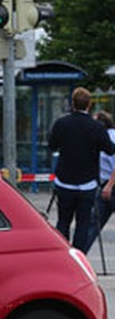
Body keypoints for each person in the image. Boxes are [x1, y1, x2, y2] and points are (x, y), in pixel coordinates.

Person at [47, 88, 115, 249]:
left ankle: (63, 256)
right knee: (83, 224)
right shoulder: (96, 127)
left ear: (73, 103)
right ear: (89, 105)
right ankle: (78, 255)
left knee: (63, 221)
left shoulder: (61, 123)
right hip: (87, 184)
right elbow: (110, 149)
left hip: (64, 181)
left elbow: (52, 145)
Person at [81, 110, 115, 253]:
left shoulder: (110, 138)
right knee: (93, 222)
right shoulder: (101, 137)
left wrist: (109, 185)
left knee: (93, 224)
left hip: (109, 185)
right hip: (104, 184)